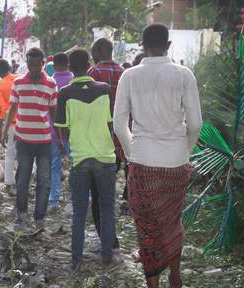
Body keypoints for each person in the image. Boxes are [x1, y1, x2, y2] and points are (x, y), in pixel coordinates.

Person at [114, 23, 202, 288]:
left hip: (143, 164)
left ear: (143, 46)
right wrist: (183, 149)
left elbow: (119, 124)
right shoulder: (184, 74)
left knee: (147, 228)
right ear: (169, 45)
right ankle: (175, 276)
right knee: (172, 221)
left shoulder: (129, 76)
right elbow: (195, 123)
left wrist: (132, 154)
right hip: (176, 163)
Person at [54, 48, 120, 273]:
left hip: (80, 158)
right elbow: (110, 124)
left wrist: (67, 151)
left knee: (79, 211)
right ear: (89, 64)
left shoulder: (64, 93)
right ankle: (106, 257)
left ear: (70, 68)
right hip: (104, 157)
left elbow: (61, 130)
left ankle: (76, 260)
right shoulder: (104, 90)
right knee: (107, 207)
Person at [0, 48, 58, 231]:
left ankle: (39, 218)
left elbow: (54, 112)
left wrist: (58, 137)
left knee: (44, 180)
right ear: (27, 63)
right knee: (22, 178)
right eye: (30, 64)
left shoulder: (51, 84)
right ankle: (22, 215)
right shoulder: (18, 83)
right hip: (23, 139)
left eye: (36, 65)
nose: (33, 68)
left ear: (42, 64)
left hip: (44, 141)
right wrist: (4, 130)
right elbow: (12, 109)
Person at [89, 37, 124, 248]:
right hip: (117, 144)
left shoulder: (92, 75)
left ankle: (107, 237)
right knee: (108, 193)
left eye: (94, 52)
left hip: (96, 143)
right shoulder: (124, 74)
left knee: (97, 193)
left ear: (100, 51)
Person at [48, 52, 74, 210]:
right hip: (73, 131)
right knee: (75, 165)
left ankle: (54, 200)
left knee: (55, 165)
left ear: (54, 65)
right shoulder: (74, 80)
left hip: (53, 132)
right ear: (68, 63)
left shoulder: (51, 82)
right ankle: (75, 198)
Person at [0, 59, 19, 194]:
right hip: (27, 122)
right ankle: (26, 181)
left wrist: (0, 130)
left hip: (12, 124)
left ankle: (9, 183)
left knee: (10, 154)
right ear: (10, 67)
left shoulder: (0, 85)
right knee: (26, 154)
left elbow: (2, 110)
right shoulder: (20, 79)